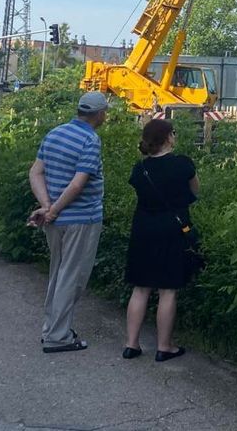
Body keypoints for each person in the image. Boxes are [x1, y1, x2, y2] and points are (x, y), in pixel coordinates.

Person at [27, 91, 108, 353]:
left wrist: (46, 206)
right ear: (99, 114)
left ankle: (51, 329)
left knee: (58, 274)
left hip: (56, 221)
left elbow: (36, 172)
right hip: (81, 219)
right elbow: (77, 184)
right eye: (105, 113)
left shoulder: (55, 133)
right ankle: (59, 336)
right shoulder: (90, 140)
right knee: (73, 277)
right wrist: (53, 210)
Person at [123, 118, 200, 362]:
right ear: (168, 137)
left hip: (143, 228)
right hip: (172, 229)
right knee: (168, 290)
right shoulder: (183, 164)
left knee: (140, 288)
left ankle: (131, 344)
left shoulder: (140, 168)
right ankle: (164, 346)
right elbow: (195, 192)